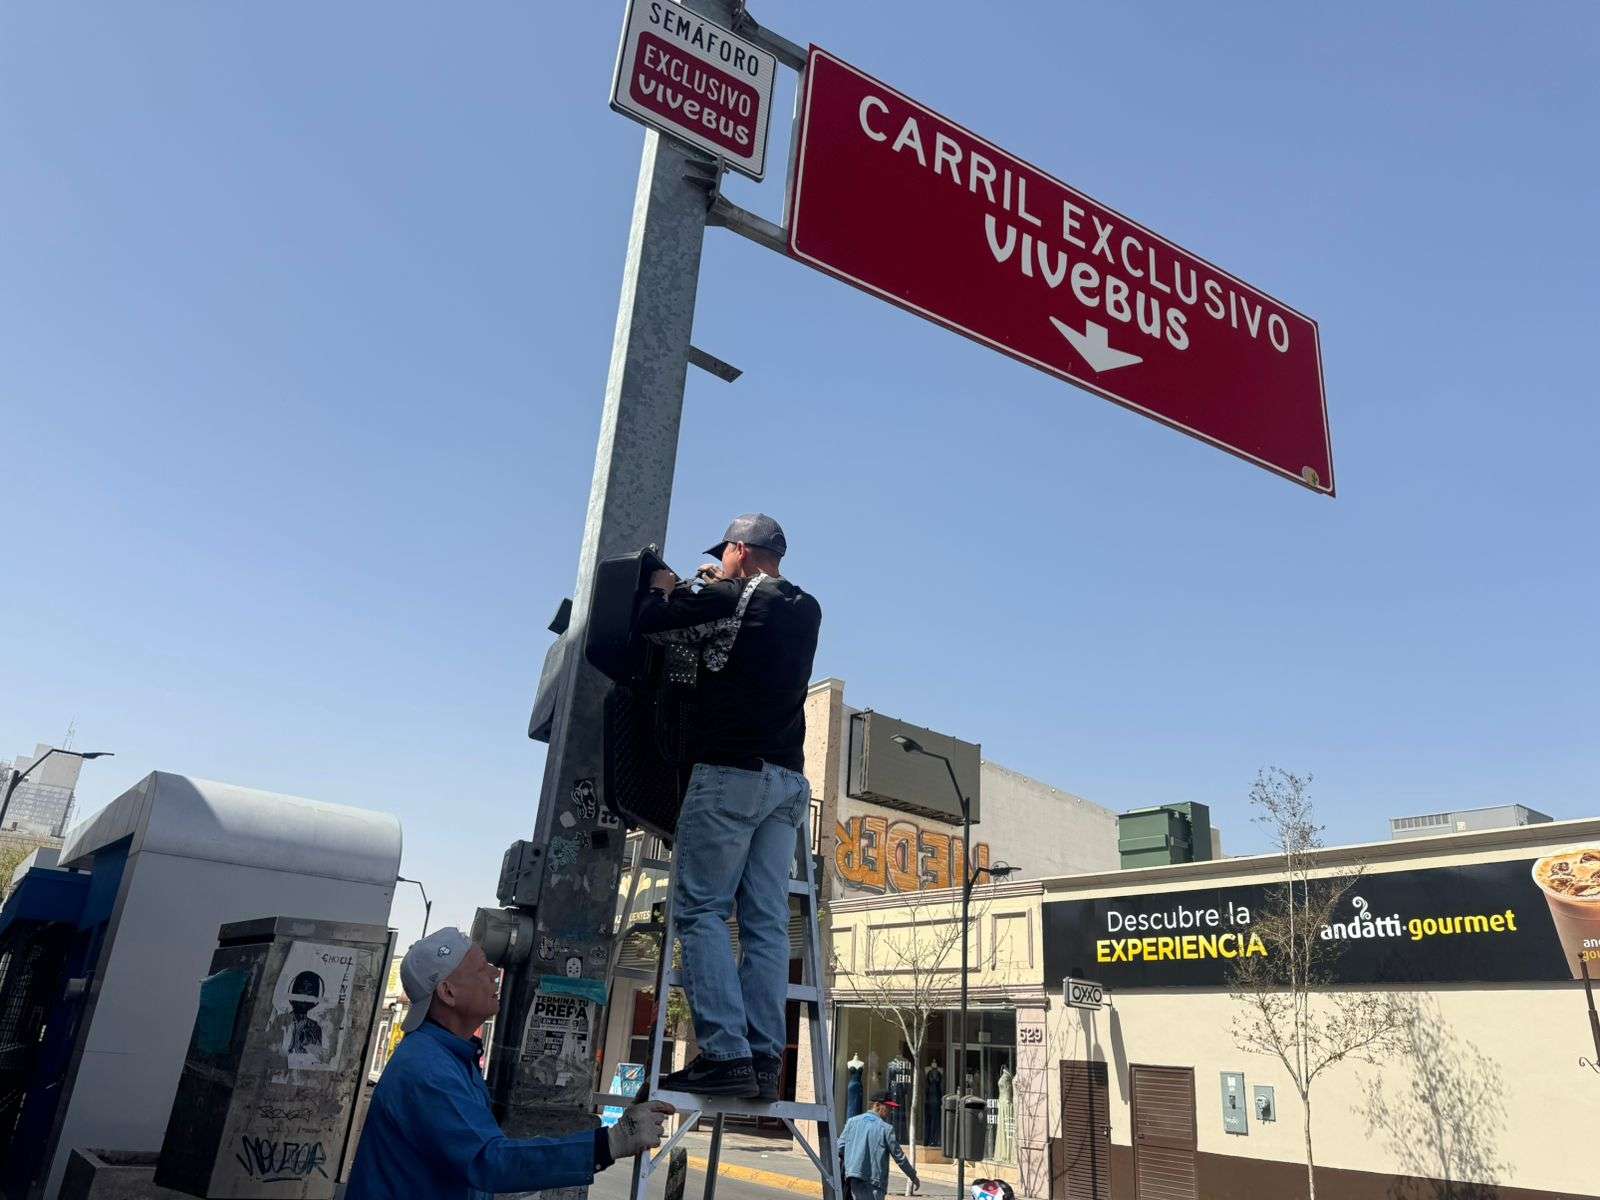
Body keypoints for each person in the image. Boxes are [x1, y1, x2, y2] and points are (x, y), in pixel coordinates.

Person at [638, 513, 822, 1099]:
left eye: (726, 553)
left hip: (730, 774)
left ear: (740, 549)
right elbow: (741, 628)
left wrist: (669, 588)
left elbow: (652, 624)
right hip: (787, 781)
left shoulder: (725, 595)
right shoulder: (806, 607)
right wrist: (713, 586)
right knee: (766, 921)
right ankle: (766, 1059)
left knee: (702, 912)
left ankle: (724, 1052)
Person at [346, 928, 675, 1200]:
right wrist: (612, 1141)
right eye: (480, 969)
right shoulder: (427, 1070)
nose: (493, 973)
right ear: (447, 992)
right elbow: (489, 1162)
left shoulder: (452, 1058)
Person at [839, 1091, 920, 1200]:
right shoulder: (886, 1129)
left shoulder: (852, 1122)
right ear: (877, 1105)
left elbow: (839, 1148)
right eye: (888, 1107)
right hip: (874, 1183)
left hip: (853, 1178)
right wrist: (913, 1176)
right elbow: (899, 1157)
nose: (890, 1111)